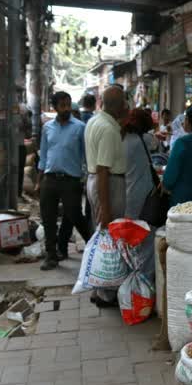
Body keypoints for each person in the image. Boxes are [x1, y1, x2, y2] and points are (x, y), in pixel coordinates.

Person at [37, 92, 92, 271]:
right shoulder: (47, 128)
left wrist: (84, 178)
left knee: (75, 215)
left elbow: (86, 155)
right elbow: (43, 155)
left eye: (68, 104)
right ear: (55, 107)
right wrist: (40, 180)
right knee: (48, 218)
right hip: (50, 178)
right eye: (62, 105)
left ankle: (94, 249)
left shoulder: (80, 127)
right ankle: (51, 255)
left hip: (71, 180)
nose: (66, 108)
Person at [85, 86, 128, 307]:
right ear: (119, 105)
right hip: (108, 184)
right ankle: (106, 293)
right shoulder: (108, 130)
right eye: (125, 102)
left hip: (97, 181)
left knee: (102, 237)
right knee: (110, 238)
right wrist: (106, 207)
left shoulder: (95, 122)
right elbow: (103, 170)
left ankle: (98, 288)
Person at [123, 109, 156, 220]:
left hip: (126, 190)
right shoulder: (145, 139)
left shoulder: (121, 139)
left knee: (129, 227)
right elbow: (155, 143)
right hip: (144, 192)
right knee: (143, 228)